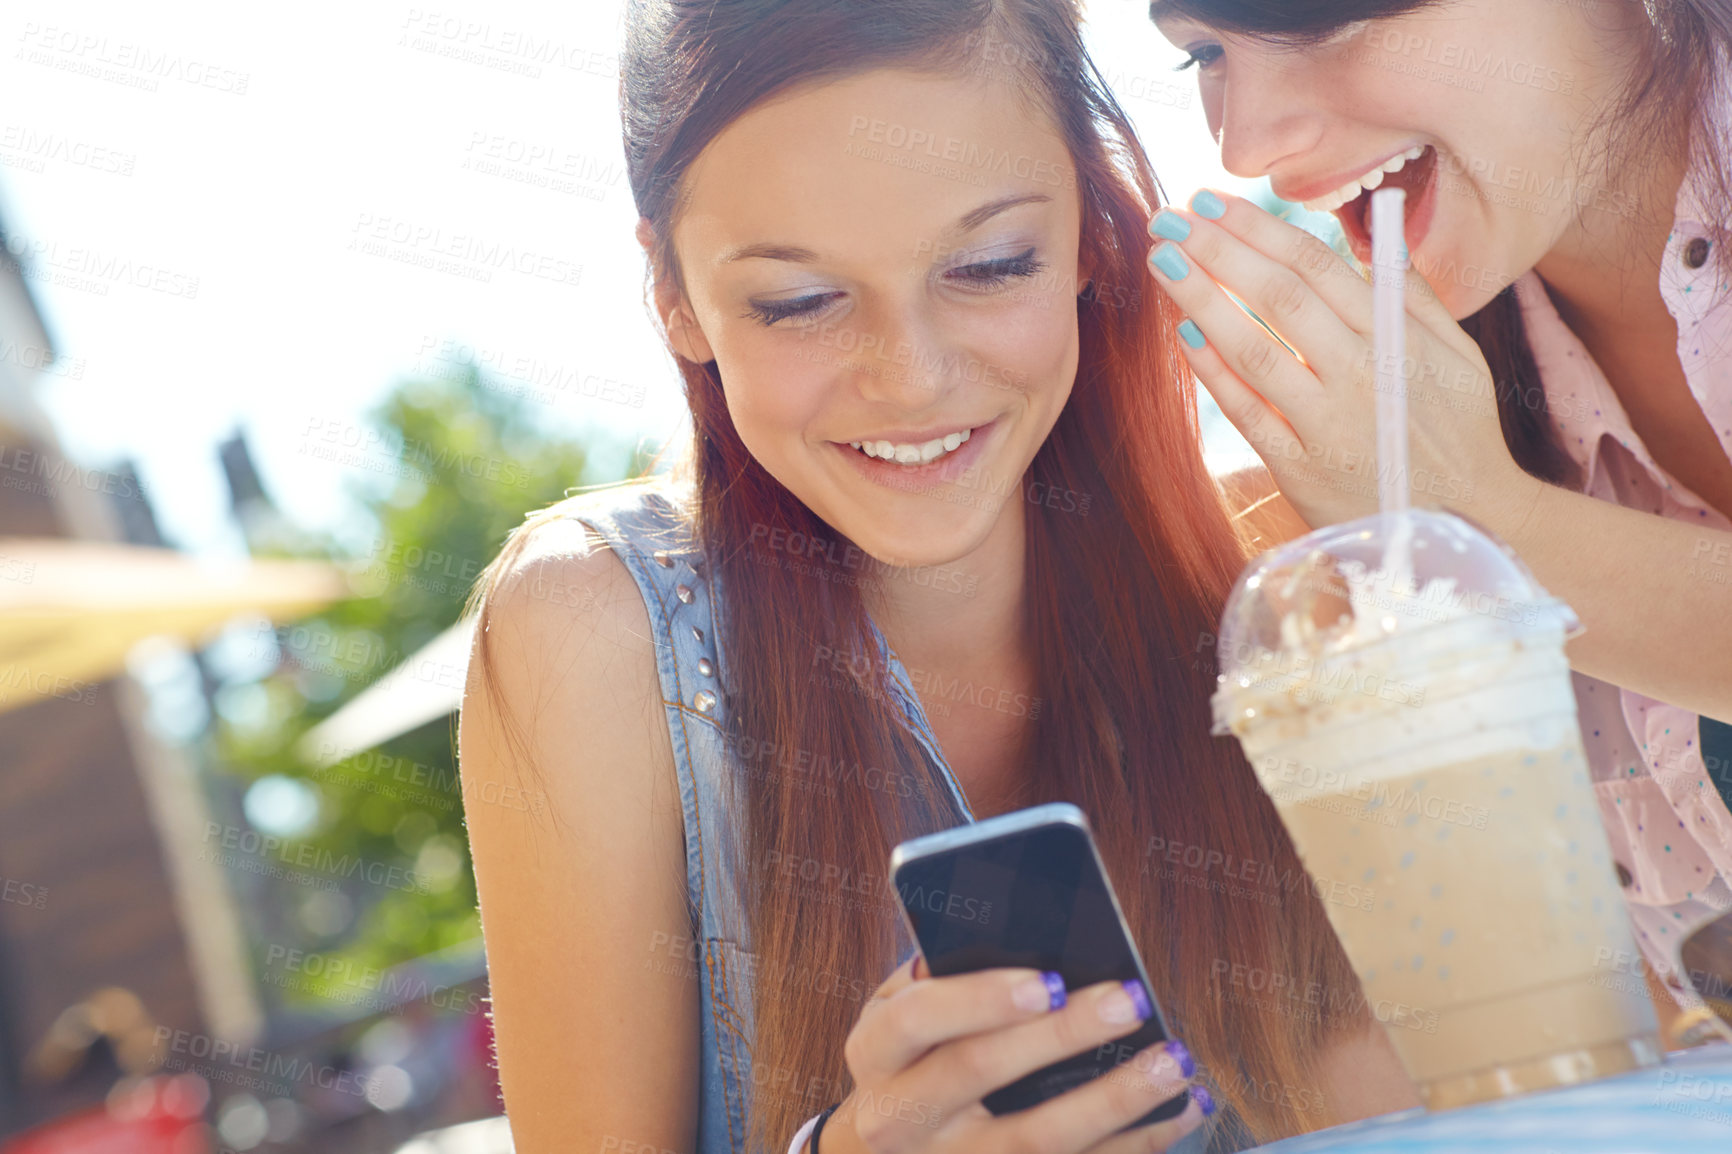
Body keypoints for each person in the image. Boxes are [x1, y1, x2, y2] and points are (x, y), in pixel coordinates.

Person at [458, 2, 1415, 1153]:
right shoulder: (592, 630)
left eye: (987, 264)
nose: (909, 377)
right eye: (800, 300)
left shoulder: (1286, 574)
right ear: (673, 295)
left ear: (1091, 237)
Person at [1140, 0, 1732, 1029]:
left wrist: (1484, 516)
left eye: (1312, 17)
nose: (1245, 143)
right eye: (1206, 54)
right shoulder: (1425, 402)